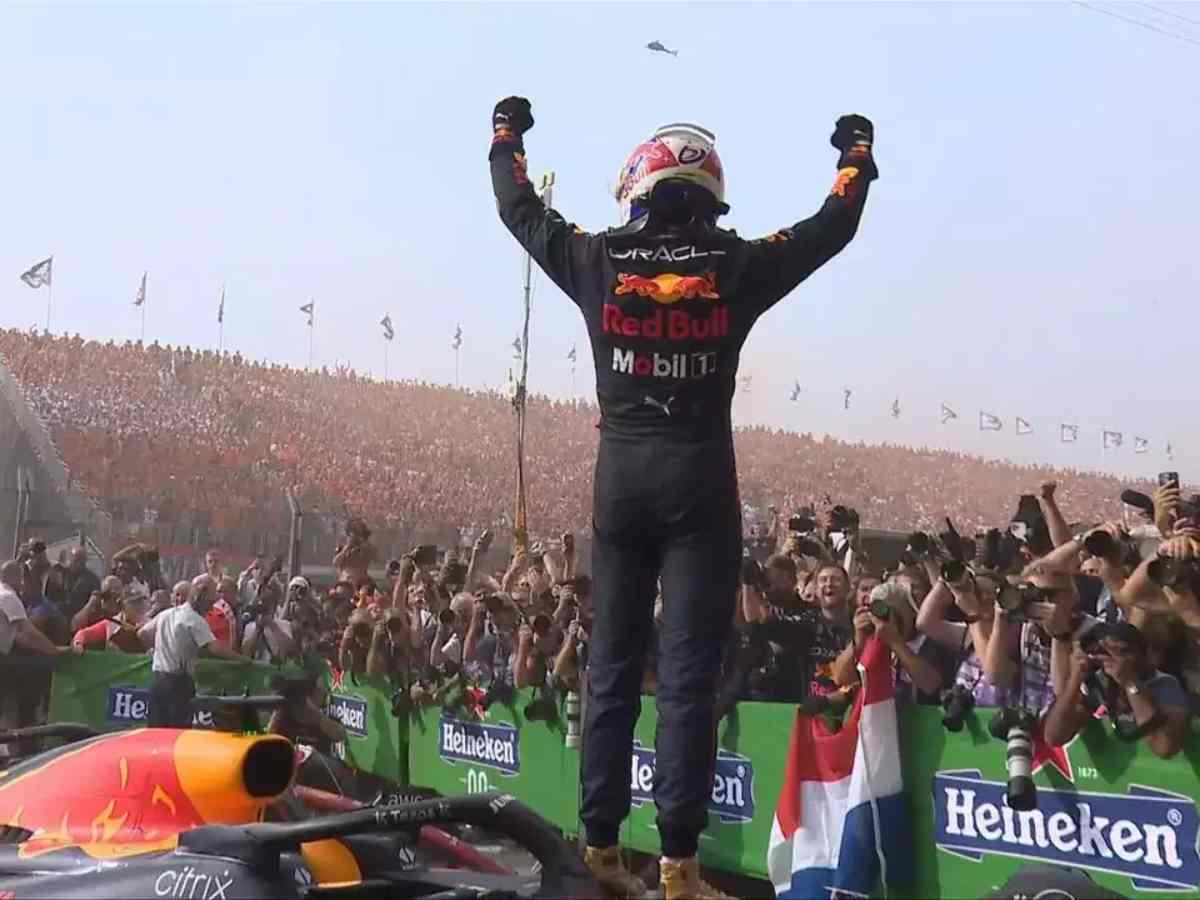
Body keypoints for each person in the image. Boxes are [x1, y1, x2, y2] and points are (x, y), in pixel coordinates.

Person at [489, 95, 876, 898]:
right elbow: (831, 227)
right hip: (701, 484)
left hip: (620, 481)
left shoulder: (595, 258)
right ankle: (679, 868)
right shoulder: (737, 265)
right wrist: (856, 155)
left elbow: (516, 208)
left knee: (611, 674)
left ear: (639, 182)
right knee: (688, 680)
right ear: (710, 191)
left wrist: (508, 136)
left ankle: (597, 853)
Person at [1043, 622, 1190, 759]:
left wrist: (1129, 682)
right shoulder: (1101, 685)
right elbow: (1054, 737)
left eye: (1123, 652)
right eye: (1106, 652)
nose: (1114, 660)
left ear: (1144, 655)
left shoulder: (1164, 684)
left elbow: (1165, 748)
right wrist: (1074, 680)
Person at [138, 573, 248, 727]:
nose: (212, 605)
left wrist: (158, 648)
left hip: (157, 681)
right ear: (201, 594)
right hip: (178, 684)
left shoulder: (166, 614)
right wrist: (243, 659)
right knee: (178, 733)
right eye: (211, 599)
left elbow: (142, 633)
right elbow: (215, 648)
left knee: (156, 731)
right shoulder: (195, 620)